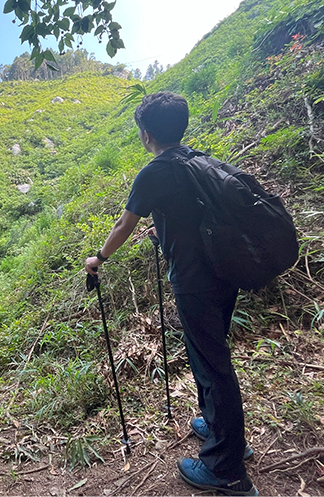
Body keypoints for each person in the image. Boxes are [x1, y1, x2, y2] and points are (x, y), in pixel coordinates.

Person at [84, 92, 258, 496]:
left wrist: (99, 258)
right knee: (212, 358)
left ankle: (227, 471)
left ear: (146, 135)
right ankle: (220, 432)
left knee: (213, 366)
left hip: (195, 280)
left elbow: (123, 225)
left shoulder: (155, 171)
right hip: (224, 273)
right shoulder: (199, 159)